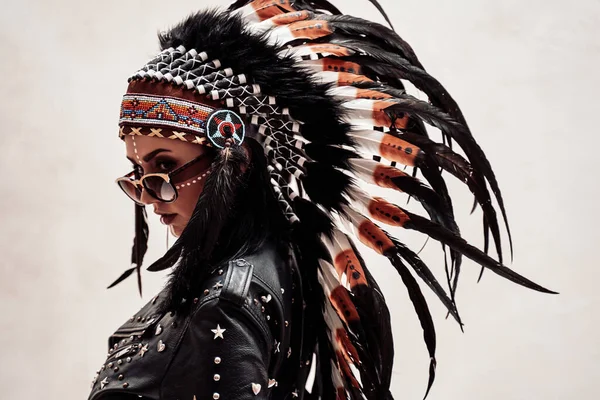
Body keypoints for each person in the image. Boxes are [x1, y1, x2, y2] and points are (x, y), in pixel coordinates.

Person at [87, 1, 555, 399]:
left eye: (166, 168)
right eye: (138, 173)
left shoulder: (225, 302)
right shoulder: (259, 268)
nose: (149, 197)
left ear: (239, 159)